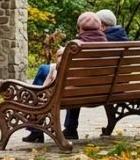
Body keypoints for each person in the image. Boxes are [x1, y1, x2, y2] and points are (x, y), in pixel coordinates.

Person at [21, 11, 107, 144]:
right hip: (99, 93)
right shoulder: (107, 45)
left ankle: (36, 129)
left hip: (73, 91)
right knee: (76, 82)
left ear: (80, 28)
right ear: (100, 28)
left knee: (45, 70)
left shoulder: (75, 46)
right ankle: (71, 129)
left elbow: (60, 70)